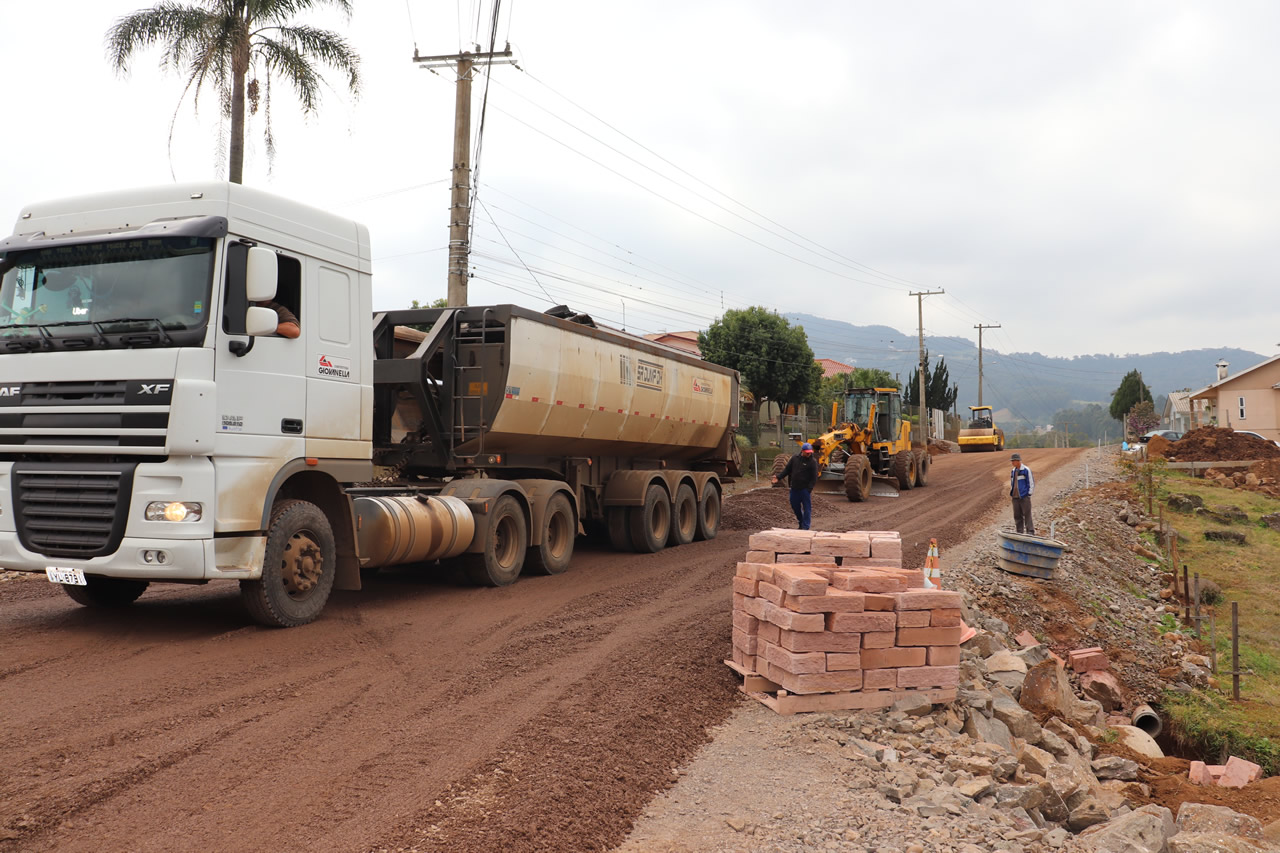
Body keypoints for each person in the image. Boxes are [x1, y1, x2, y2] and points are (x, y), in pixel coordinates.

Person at [772, 442, 819, 530]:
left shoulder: (813, 462)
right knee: (795, 506)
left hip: (805, 490)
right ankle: (801, 522)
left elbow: (814, 477)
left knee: (807, 509)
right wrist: (778, 477)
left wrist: (809, 489)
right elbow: (787, 470)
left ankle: (805, 528)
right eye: (807, 452)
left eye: (810, 452)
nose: (809, 454)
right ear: (802, 451)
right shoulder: (794, 459)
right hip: (794, 488)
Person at [1009, 452, 1035, 535]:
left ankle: (1030, 532)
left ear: (1018, 461)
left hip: (1024, 497)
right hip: (1015, 497)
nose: (1012, 463)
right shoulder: (1013, 471)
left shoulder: (1026, 470)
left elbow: (1031, 482)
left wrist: (1029, 494)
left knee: (1027, 514)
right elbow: (1012, 483)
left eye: (1013, 461)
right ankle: (1019, 532)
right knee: (1017, 515)